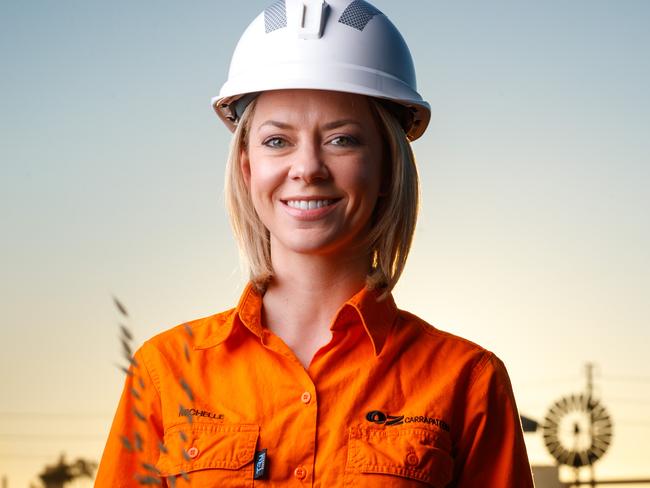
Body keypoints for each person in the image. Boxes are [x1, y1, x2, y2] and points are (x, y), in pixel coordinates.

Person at [96, 0, 535, 486]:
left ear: (388, 166)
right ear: (247, 168)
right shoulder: (163, 372)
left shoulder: (467, 381)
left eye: (342, 139)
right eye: (277, 141)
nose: (306, 168)